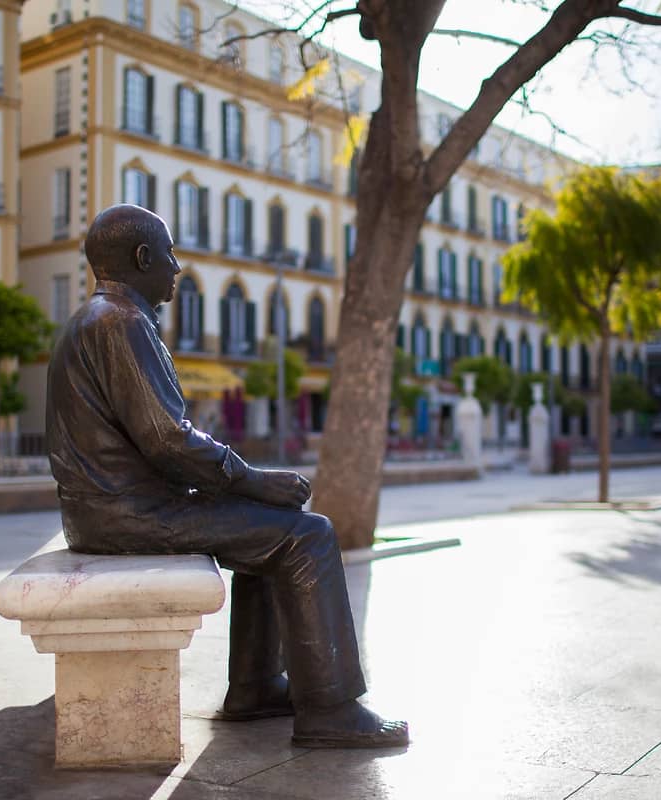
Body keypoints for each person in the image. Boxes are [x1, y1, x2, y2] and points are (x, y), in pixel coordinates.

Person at [45, 205, 408, 749]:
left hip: (110, 509)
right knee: (309, 536)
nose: (177, 266)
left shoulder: (103, 319)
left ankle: (256, 687)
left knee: (275, 528)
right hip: (127, 515)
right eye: (168, 253)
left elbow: (158, 442)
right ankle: (330, 708)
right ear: (143, 259)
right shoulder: (120, 322)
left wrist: (249, 488)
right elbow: (167, 440)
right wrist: (253, 480)